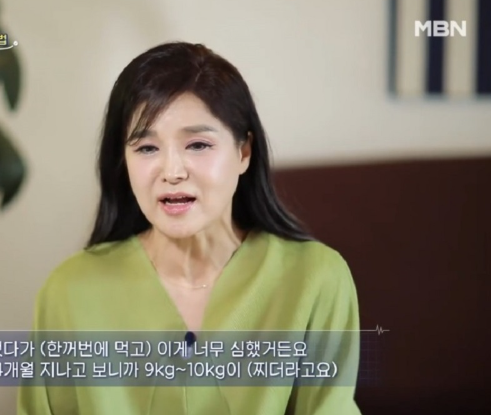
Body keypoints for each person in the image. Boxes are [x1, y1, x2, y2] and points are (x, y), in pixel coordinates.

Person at [18, 41, 361, 415]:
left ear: (243, 152)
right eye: (147, 148)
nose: (172, 172)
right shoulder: (69, 291)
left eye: (197, 145)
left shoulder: (314, 278)